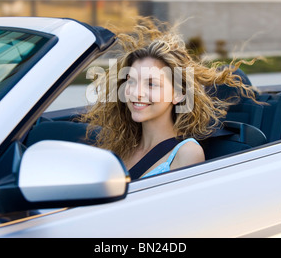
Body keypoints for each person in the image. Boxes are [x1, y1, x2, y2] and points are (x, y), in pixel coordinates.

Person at [82, 17, 257, 179]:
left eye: (151, 84)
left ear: (178, 93)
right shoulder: (120, 144)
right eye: (132, 81)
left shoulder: (186, 153)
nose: (136, 92)